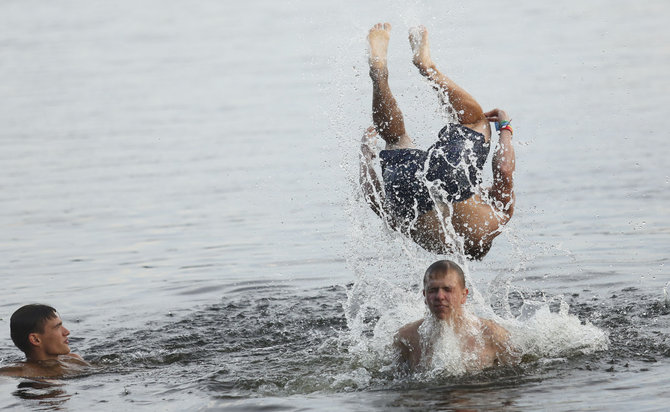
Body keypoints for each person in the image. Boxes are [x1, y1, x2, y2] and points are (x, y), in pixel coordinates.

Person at [359, 23, 516, 260]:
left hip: (453, 178)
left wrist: (505, 128)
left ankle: (427, 68)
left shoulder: (496, 221)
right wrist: (366, 157)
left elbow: (504, 169)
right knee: (394, 138)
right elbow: (374, 199)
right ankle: (378, 76)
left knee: (475, 122)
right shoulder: (425, 241)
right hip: (406, 193)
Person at [394, 260, 517, 372]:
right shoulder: (406, 338)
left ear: (464, 295)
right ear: (424, 295)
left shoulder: (494, 336)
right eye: (433, 290)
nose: (440, 296)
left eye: (447, 289)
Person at [0, 304, 88, 378]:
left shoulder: (74, 360)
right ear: (35, 339)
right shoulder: (16, 372)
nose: (67, 332)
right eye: (57, 327)